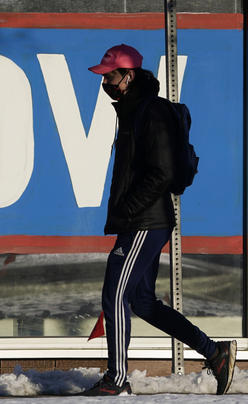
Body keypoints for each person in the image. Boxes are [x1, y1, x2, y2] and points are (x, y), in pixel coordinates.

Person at [80, 44, 236, 396]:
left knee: (114, 295)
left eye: (110, 76)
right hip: (143, 220)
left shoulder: (152, 112)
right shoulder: (135, 111)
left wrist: (129, 210)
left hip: (144, 221)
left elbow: (162, 172)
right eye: (103, 78)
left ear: (129, 75)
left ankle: (116, 380)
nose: (105, 83)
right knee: (143, 302)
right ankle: (215, 352)